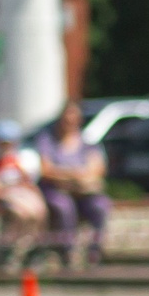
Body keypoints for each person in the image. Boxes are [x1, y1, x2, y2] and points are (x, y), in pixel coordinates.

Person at [33, 99, 110, 267]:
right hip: (56, 190)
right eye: (66, 117)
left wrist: (68, 174)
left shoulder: (87, 142)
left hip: (83, 193)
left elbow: (98, 169)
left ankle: (95, 250)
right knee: (64, 207)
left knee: (101, 205)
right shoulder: (48, 140)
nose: (70, 121)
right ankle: (66, 251)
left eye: (74, 117)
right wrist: (76, 175)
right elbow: (47, 170)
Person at [0, 119, 46, 273]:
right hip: (9, 199)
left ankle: (33, 247)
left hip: (21, 196)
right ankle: (11, 252)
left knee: (38, 212)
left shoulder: (18, 161)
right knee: (20, 214)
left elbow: (27, 181)